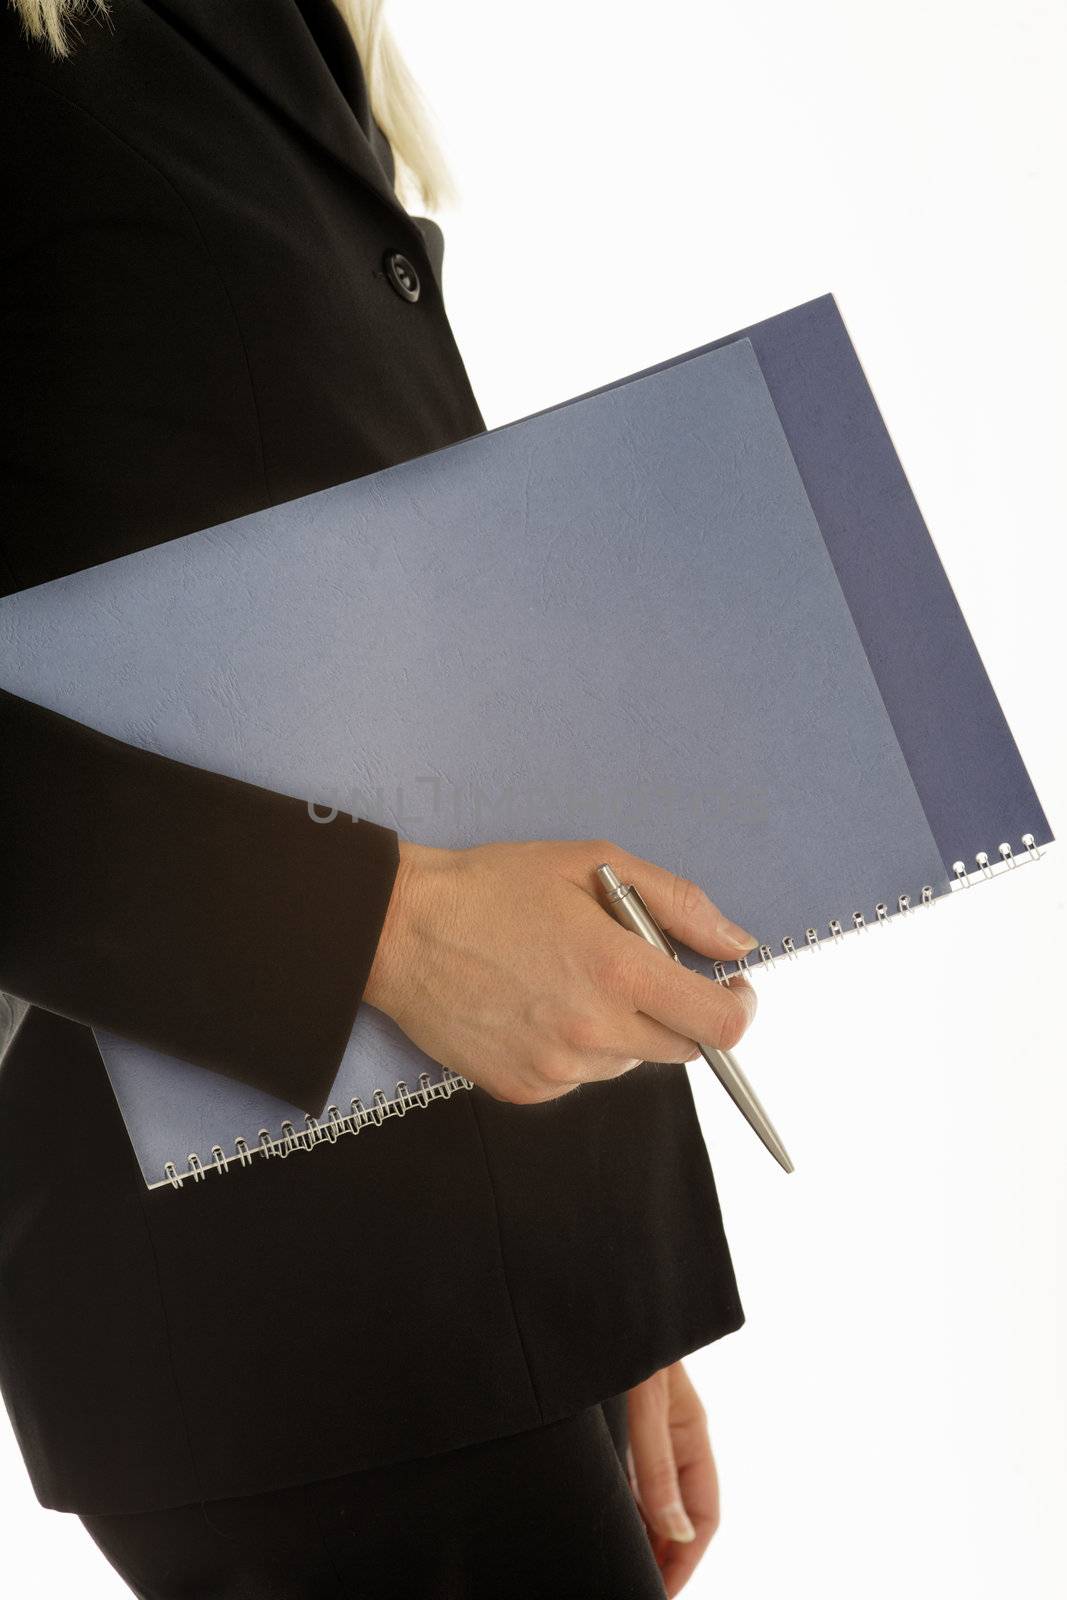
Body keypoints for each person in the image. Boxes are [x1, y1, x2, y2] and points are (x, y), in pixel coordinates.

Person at [0, 2, 759, 1594]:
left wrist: (603, 1288)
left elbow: (415, 616)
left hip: (476, 1275)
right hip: (262, 1307)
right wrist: (391, 934)